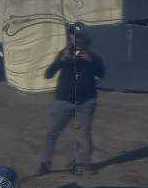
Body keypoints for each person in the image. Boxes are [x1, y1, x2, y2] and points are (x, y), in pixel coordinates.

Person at [38, 23, 105, 176]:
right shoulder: (63, 54)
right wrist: (62, 60)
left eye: (82, 38)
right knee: (52, 133)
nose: (79, 41)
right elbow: (48, 74)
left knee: (84, 134)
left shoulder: (93, 57)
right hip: (63, 101)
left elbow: (101, 74)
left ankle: (83, 164)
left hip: (86, 102)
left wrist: (91, 61)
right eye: (75, 37)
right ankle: (45, 163)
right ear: (70, 38)